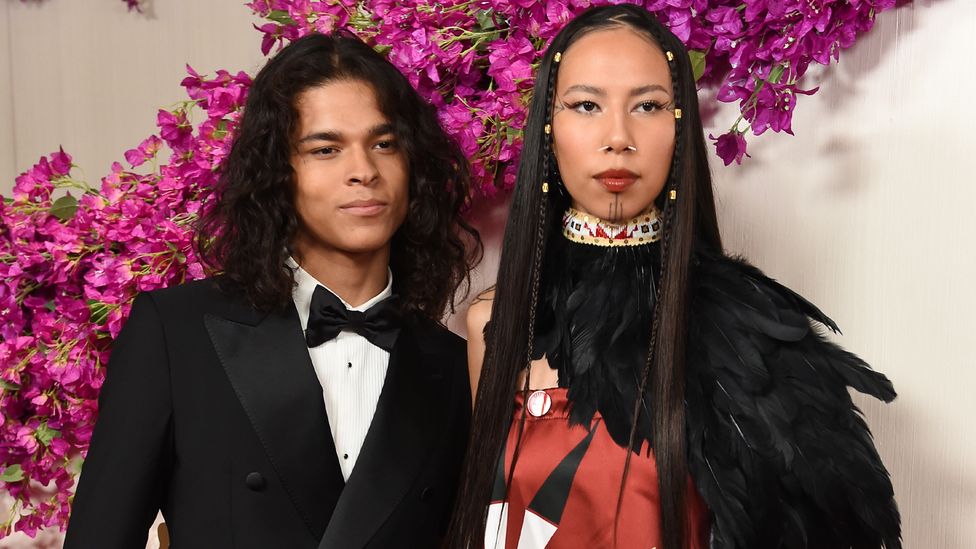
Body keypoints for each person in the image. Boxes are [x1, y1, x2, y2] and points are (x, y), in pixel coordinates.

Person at [450, 5, 900, 549]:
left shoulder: (752, 342)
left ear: (679, 126)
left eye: (648, 106)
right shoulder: (492, 323)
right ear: (549, 127)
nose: (618, 136)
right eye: (586, 105)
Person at [64, 32, 480, 549]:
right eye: (326, 149)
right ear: (276, 173)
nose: (364, 172)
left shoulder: (456, 364)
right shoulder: (177, 333)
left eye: (384, 144)